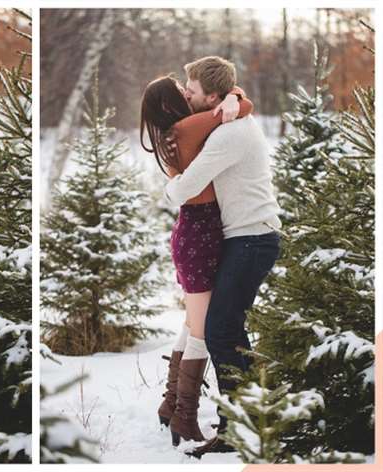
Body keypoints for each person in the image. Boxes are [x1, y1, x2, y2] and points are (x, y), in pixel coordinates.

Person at [163, 56, 282, 457]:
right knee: (228, 331)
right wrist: (235, 95)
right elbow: (234, 99)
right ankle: (252, 415)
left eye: (191, 89)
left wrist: (168, 185)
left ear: (211, 96)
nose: (186, 94)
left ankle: (240, 426)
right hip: (244, 239)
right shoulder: (227, 118)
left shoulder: (227, 135)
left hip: (253, 240)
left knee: (219, 331)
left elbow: (182, 190)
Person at [140, 58, 253, 447]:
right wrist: (237, 98)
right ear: (175, 104)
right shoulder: (190, 127)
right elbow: (238, 110)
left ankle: (171, 403)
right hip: (201, 233)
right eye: (182, 91)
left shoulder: (170, 132)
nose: (188, 93)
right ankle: (185, 415)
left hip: (190, 231)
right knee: (203, 332)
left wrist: (233, 96)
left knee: (191, 324)